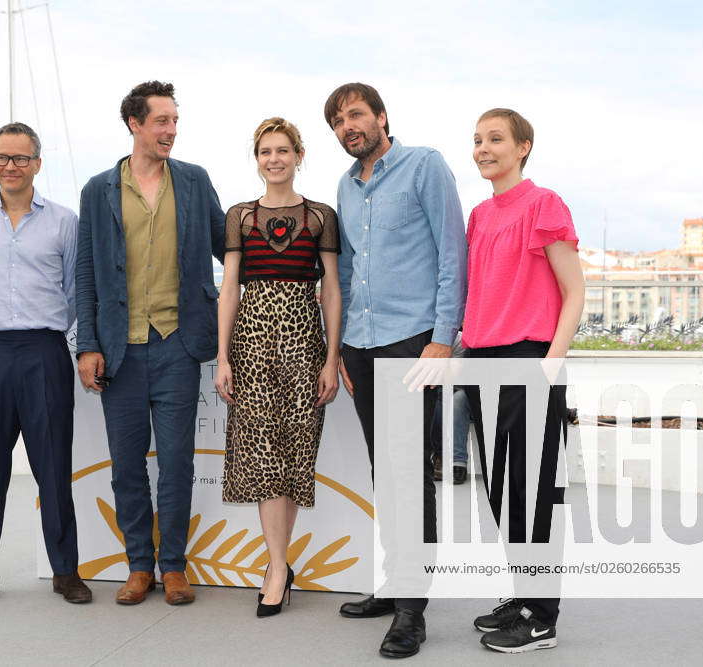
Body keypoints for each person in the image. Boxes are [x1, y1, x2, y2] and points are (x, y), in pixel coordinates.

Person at [324, 82, 467, 659]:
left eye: (355, 114)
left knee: (409, 474)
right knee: (388, 472)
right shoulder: (345, 185)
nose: (347, 126)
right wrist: (341, 348)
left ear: (382, 117)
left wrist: (441, 339)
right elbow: (350, 269)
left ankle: (412, 610)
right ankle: (397, 582)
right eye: (337, 120)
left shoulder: (424, 166)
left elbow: (452, 253)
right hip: (362, 343)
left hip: (413, 343)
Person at [74, 81, 225, 606]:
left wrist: (286, 275)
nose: (171, 131)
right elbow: (87, 274)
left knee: (178, 462)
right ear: (135, 124)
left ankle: (174, 566)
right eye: (162, 121)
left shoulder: (193, 180)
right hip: (119, 350)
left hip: (178, 345)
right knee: (126, 465)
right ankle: (139, 565)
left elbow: (228, 246)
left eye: (175, 121)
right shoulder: (98, 190)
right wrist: (87, 344)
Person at [0, 122, 91, 607]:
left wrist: (50, 338)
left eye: (21, 158)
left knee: (53, 467)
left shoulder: (64, 222)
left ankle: (65, 571)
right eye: (3, 158)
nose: (11, 167)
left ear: (37, 163)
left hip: (42, 353)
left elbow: (73, 292)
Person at [461, 108, 584, 653]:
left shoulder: (544, 205)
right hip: (482, 362)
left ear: (523, 146)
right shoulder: (480, 216)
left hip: (529, 359)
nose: (483, 149)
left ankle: (543, 617)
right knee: (502, 490)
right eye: (477, 141)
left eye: (495, 139)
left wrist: (550, 363)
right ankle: (524, 594)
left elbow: (574, 292)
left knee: (533, 491)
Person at [214, 117, 342, 618]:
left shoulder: (320, 217)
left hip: (304, 344)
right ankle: (276, 568)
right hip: (251, 343)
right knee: (264, 458)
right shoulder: (240, 217)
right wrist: (223, 357)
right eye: (265, 151)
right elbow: (230, 289)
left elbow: (331, 289)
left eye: (283, 150)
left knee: (293, 456)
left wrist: (331, 358)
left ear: (298, 155)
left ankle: (278, 566)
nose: (274, 159)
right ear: (257, 158)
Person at [430, 334, 470, 483]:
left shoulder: (458, 341)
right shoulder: (414, 342)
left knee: (451, 396)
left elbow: (453, 378)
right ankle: (438, 456)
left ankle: (456, 462)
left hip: (458, 390)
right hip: (435, 388)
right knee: (435, 395)